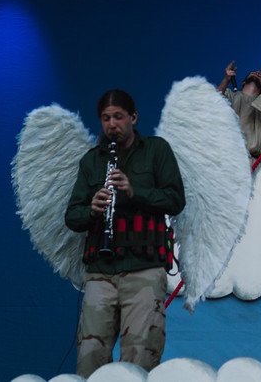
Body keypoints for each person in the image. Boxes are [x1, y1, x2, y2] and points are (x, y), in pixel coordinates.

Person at [64, 89, 186, 378]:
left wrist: (134, 191)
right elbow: (72, 216)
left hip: (144, 268)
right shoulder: (92, 161)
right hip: (100, 271)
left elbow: (175, 200)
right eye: (106, 118)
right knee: (90, 356)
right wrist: (92, 210)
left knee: (139, 358)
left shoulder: (156, 150)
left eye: (118, 117)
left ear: (133, 117)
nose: (112, 124)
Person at [217, 60, 261, 162]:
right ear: (243, 82)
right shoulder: (230, 95)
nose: (256, 73)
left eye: (259, 74)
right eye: (253, 72)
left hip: (255, 161)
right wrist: (226, 79)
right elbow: (213, 103)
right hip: (228, 158)